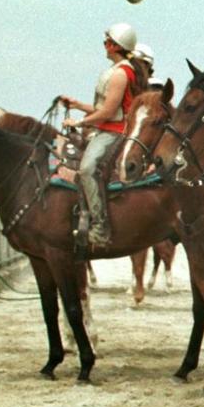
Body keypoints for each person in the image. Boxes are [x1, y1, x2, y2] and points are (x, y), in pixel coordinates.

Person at [60, 22, 140, 248]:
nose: (104, 45)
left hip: (114, 132)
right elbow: (106, 110)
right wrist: (78, 105)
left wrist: (79, 122)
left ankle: (100, 228)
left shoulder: (120, 75)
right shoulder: (117, 72)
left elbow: (107, 113)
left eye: (107, 42)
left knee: (87, 169)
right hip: (107, 127)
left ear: (116, 46)